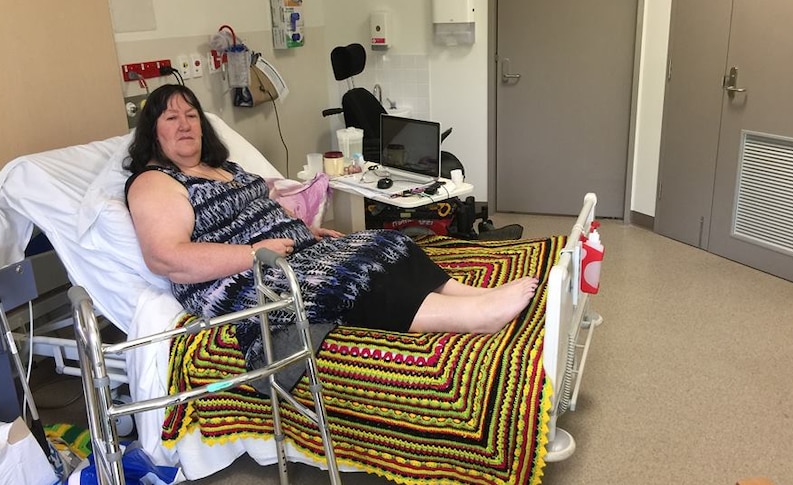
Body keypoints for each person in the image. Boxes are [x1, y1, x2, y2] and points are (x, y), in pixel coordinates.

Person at [124, 84, 538, 391]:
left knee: (385, 242)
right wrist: (250, 254)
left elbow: (264, 210)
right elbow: (166, 258)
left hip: (291, 251)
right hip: (245, 282)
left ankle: (468, 294)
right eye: (171, 118)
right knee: (350, 276)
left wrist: (306, 230)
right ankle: (471, 318)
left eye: (191, 115)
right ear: (153, 132)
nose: (185, 125)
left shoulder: (223, 167)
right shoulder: (154, 182)